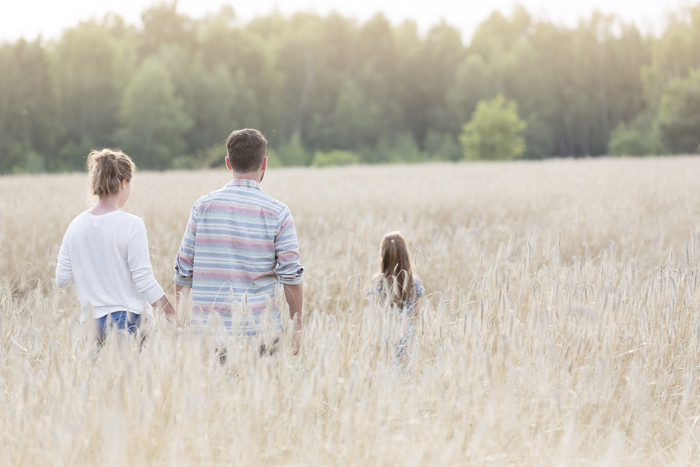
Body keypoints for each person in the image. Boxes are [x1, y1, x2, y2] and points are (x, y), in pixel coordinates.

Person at [174, 128, 304, 356]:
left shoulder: (202, 207)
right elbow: (291, 277)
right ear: (264, 163)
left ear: (228, 163)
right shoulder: (278, 213)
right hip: (261, 336)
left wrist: (182, 323)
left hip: (207, 338)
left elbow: (183, 270)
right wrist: (297, 326)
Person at [55, 148, 176, 343]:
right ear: (123, 183)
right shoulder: (132, 224)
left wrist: (93, 273)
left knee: (97, 374)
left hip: (90, 324)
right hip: (126, 320)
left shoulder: (75, 225)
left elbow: (62, 279)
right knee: (129, 374)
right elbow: (143, 280)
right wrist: (173, 314)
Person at [369, 231, 425, 364]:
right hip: (407, 336)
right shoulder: (414, 282)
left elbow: (373, 312)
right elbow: (417, 313)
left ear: (382, 256)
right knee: (406, 372)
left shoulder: (377, 282)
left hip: (384, 335)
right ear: (406, 256)